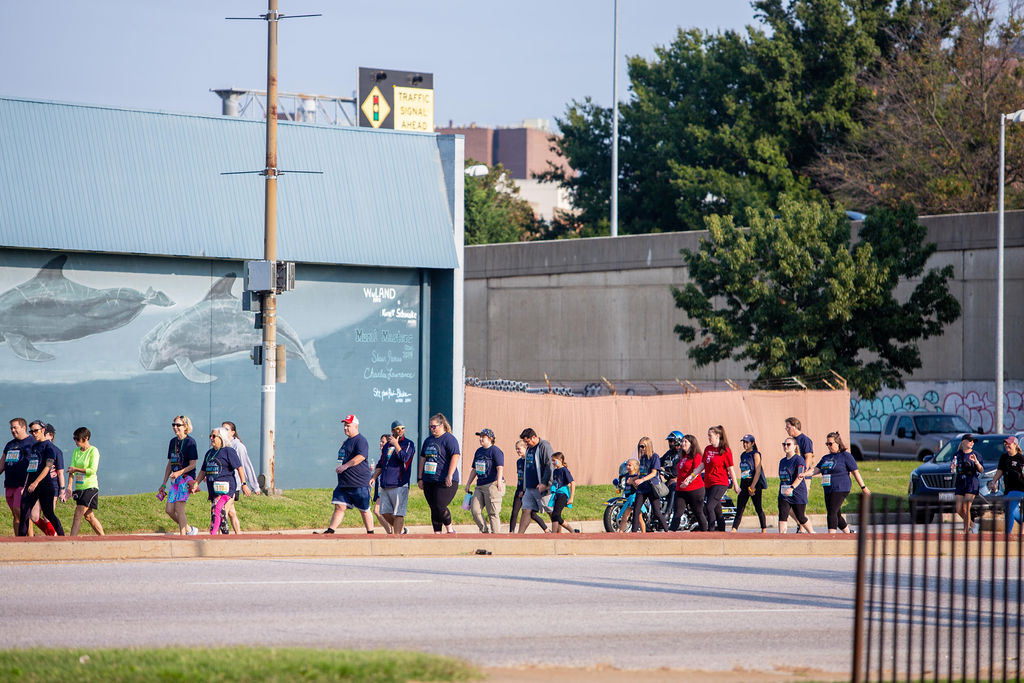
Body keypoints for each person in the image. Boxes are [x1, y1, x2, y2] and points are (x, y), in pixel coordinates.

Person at [318, 414, 374, 534]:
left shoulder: (361, 440)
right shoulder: (347, 441)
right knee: (339, 506)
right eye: (344, 425)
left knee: (364, 509)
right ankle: (330, 531)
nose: (345, 428)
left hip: (358, 483)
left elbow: (361, 456)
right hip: (344, 483)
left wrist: (345, 466)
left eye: (348, 425)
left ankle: (371, 533)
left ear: (356, 426)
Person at [803, 432, 869, 533]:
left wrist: (863, 487)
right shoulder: (826, 458)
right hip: (828, 488)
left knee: (832, 512)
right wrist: (804, 474)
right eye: (827, 444)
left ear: (838, 443)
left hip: (841, 488)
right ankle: (848, 533)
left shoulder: (845, 456)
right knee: (836, 513)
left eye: (831, 444)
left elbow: (855, 472)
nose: (829, 446)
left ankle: (831, 535)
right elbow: (816, 469)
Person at [190, 427, 250, 535]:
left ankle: (213, 535)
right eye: (210, 436)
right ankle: (224, 534)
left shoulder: (228, 451)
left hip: (227, 488)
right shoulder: (209, 453)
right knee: (218, 512)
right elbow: (203, 471)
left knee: (217, 509)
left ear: (221, 438)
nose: (211, 438)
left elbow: (239, 467)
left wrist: (244, 484)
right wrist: (196, 484)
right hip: (214, 489)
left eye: (214, 436)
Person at [17, 421, 64, 536]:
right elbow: (31, 468)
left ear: (43, 431)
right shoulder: (34, 447)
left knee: (48, 513)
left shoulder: (50, 447)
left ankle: (62, 537)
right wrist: (26, 485)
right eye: (31, 431)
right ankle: (20, 542)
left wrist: (36, 482)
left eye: (36, 431)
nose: (34, 433)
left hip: (45, 485)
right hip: (31, 485)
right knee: (24, 513)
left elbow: (48, 467)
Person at [370, 420, 415, 535]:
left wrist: (396, 444)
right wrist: (374, 477)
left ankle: (397, 537)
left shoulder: (408, 444)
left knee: (399, 513)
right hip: (385, 484)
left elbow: (405, 458)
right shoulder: (386, 446)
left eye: (402, 428)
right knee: (383, 512)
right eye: (397, 428)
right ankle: (401, 530)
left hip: (400, 483)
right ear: (392, 430)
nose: (400, 431)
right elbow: (381, 463)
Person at [418, 413, 461, 534]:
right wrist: (420, 478)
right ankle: (437, 533)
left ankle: (450, 529)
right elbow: (422, 459)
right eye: (430, 427)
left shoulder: (449, 439)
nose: (432, 429)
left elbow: (455, 456)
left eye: (434, 426)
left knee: (440, 506)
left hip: (444, 480)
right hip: (429, 480)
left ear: (442, 425)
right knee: (434, 508)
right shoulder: (428, 440)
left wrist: (450, 475)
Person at [159, 415, 199, 536]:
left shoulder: (190, 442)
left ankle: (183, 536)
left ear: (185, 427)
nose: (175, 427)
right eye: (174, 425)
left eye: (178, 425)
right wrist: (163, 483)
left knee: (179, 509)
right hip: (174, 480)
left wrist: (179, 472)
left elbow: (193, 464)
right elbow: (170, 464)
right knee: (169, 510)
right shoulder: (172, 442)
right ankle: (188, 529)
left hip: (185, 479)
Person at [464, 428, 505, 533]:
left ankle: (496, 536)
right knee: (475, 510)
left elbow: (500, 467)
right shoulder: (478, 451)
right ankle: (484, 531)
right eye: (480, 437)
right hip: (480, 485)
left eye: (483, 437)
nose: (481, 439)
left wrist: (499, 482)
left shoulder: (495, 451)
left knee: (493, 513)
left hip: (492, 484)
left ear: (490, 439)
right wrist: (468, 483)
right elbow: (474, 469)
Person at [65, 426, 104, 536]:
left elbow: (92, 470)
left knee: (78, 513)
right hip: (79, 488)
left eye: (78, 439)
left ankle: (71, 541)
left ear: (86, 438)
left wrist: (76, 469)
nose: (76, 441)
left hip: (90, 487)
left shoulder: (93, 451)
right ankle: (104, 538)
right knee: (89, 516)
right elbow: (71, 470)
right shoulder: (76, 452)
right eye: (74, 439)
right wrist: (69, 487)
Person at [517, 427, 553, 534]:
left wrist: (545, 483)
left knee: (551, 511)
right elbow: (526, 469)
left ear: (534, 437)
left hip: (543, 487)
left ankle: (558, 535)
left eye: (527, 441)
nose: (526, 444)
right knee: (526, 510)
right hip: (530, 487)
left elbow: (550, 465)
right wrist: (523, 489)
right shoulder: (529, 449)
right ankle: (520, 535)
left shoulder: (544, 446)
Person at [703, 425, 739, 532]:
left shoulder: (725, 451)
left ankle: (711, 531)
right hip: (708, 482)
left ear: (718, 436)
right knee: (717, 509)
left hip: (720, 483)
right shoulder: (707, 449)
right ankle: (722, 532)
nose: (709, 438)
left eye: (710, 435)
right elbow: (702, 465)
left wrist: (736, 485)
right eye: (708, 435)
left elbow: (731, 469)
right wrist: (691, 477)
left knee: (709, 506)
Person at [2, 418, 34, 535]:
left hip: (23, 484)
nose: (13, 430)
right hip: (10, 484)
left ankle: (31, 539)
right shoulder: (10, 445)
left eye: (15, 427)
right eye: (11, 428)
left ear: (24, 428)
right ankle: (18, 540)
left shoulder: (31, 443)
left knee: (20, 511)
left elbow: (35, 464)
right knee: (15, 515)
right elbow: (2, 463)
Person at [629, 436, 668, 533]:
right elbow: (642, 472)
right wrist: (634, 478)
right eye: (640, 446)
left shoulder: (654, 457)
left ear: (648, 446)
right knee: (636, 511)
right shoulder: (642, 458)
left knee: (656, 512)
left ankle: (667, 530)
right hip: (642, 488)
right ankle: (633, 533)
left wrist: (642, 479)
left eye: (642, 446)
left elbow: (654, 473)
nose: (641, 449)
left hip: (652, 487)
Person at [508, 440, 547, 533]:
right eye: (516, 449)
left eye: (519, 449)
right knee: (514, 512)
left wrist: (524, 491)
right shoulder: (518, 462)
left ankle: (547, 530)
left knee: (533, 514)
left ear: (525, 448)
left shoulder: (529, 461)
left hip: (527, 490)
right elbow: (520, 476)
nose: (517, 451)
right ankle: (511, 532)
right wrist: (520, 489)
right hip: (519, 489)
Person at [732, 434, 768, 533]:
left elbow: (758, 471)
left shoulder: (756, 454)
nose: (745, 444)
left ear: (752, 443)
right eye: (743, 442)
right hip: (744, 483)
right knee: (740, 508)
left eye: (747, 442)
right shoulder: (743, 455)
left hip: (754, 483)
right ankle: (734, 529)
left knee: (758, 507)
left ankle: (764, 529)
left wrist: (752, 486)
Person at [988, 435, 1024, 534]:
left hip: (1020, 488)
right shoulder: (1004, 457)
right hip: (1008, 489)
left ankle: (1007, 533)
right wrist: (993, 481)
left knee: (1009, 507)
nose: (1006, 445)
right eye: (1005, 443)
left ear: (1015, 445)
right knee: (1012, 510)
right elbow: (1000, 471)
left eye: (1009, 443)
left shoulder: (1021, 458)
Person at [777, 438, 814, 534]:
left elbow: (800, 476)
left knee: (801, 517)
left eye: (788, 444)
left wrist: (792, 487)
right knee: (782, 514)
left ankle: (812, 533)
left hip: (797, 492)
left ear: (794, 446)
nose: (785, 446)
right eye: (784, 444)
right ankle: (782, 537)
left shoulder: (799, 460)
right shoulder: (782, 461)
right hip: (784, 493)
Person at [672, 434, 708, 532]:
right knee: (677, 513)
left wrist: (688, 481)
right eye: (682, 441)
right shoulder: (683, 457)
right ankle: (670, 534)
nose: (683, 444)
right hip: (681, 490)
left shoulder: (696, 456)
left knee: (698, 512)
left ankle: (706, 534)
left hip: (695, 490)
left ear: (692, 444)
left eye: (685, 442)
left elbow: (697, 471)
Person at [952, 434, 983, 534]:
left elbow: (981, 470)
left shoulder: (976, 454)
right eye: (970, 441)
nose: (972, 443)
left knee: (966, 507)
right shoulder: (958, 454)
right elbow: (954, 469)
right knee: (958, 509)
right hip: (961, 481)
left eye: (973, 441)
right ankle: (973, 525)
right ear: (963, 442)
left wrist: (976, 462)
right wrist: (953, 468)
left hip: (971, 481)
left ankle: (966, 530)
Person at [548, 452, 577, 533]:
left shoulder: (564, 470)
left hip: (563, 495)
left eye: (554, 460)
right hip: (557, 495)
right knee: (557, 516)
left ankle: (553, 534)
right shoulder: (555, 471)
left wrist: (571, 498)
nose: (553, 462)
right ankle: (573, 531)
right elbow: (555, 483)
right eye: (552, 461)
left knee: (555, 514)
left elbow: (573, 483)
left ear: (560, 460)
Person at [371, 435, 394, 535]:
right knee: (382, 511)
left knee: (378, 510)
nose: (381, 444)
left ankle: (393, 532)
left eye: (383, 442)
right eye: (380, 441)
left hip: (387, 487)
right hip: (380, 487)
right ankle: (393, 531)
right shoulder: (382, 457)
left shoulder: (390, 456)